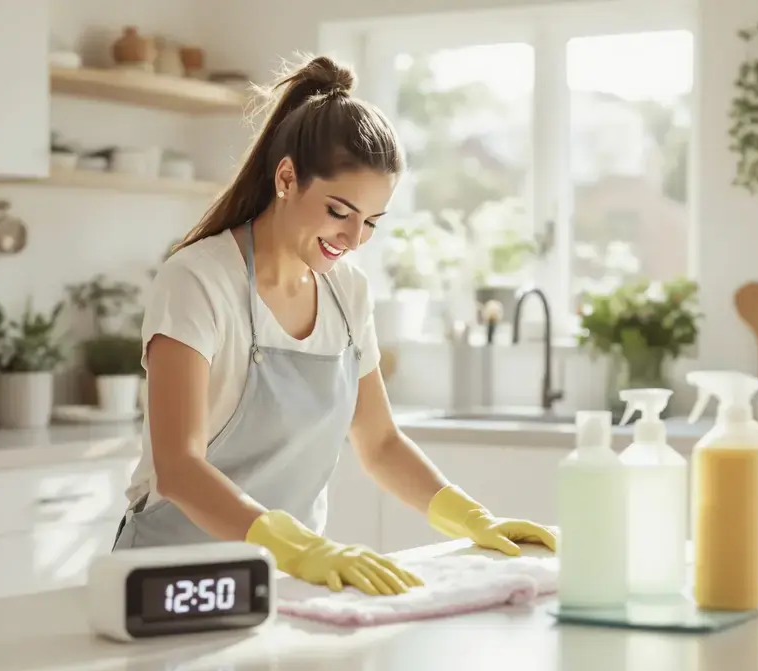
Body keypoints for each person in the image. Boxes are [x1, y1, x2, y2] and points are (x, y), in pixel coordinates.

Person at [112, 54, 557, 596]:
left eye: (370, 221)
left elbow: (379, 442)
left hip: (282, 583)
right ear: (286, 178)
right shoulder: (198, 281)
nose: (352, 238)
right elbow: (177, 468)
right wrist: (300, 547)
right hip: (171, 581)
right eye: (339, 211)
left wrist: (471, 518)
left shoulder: (348, 293)